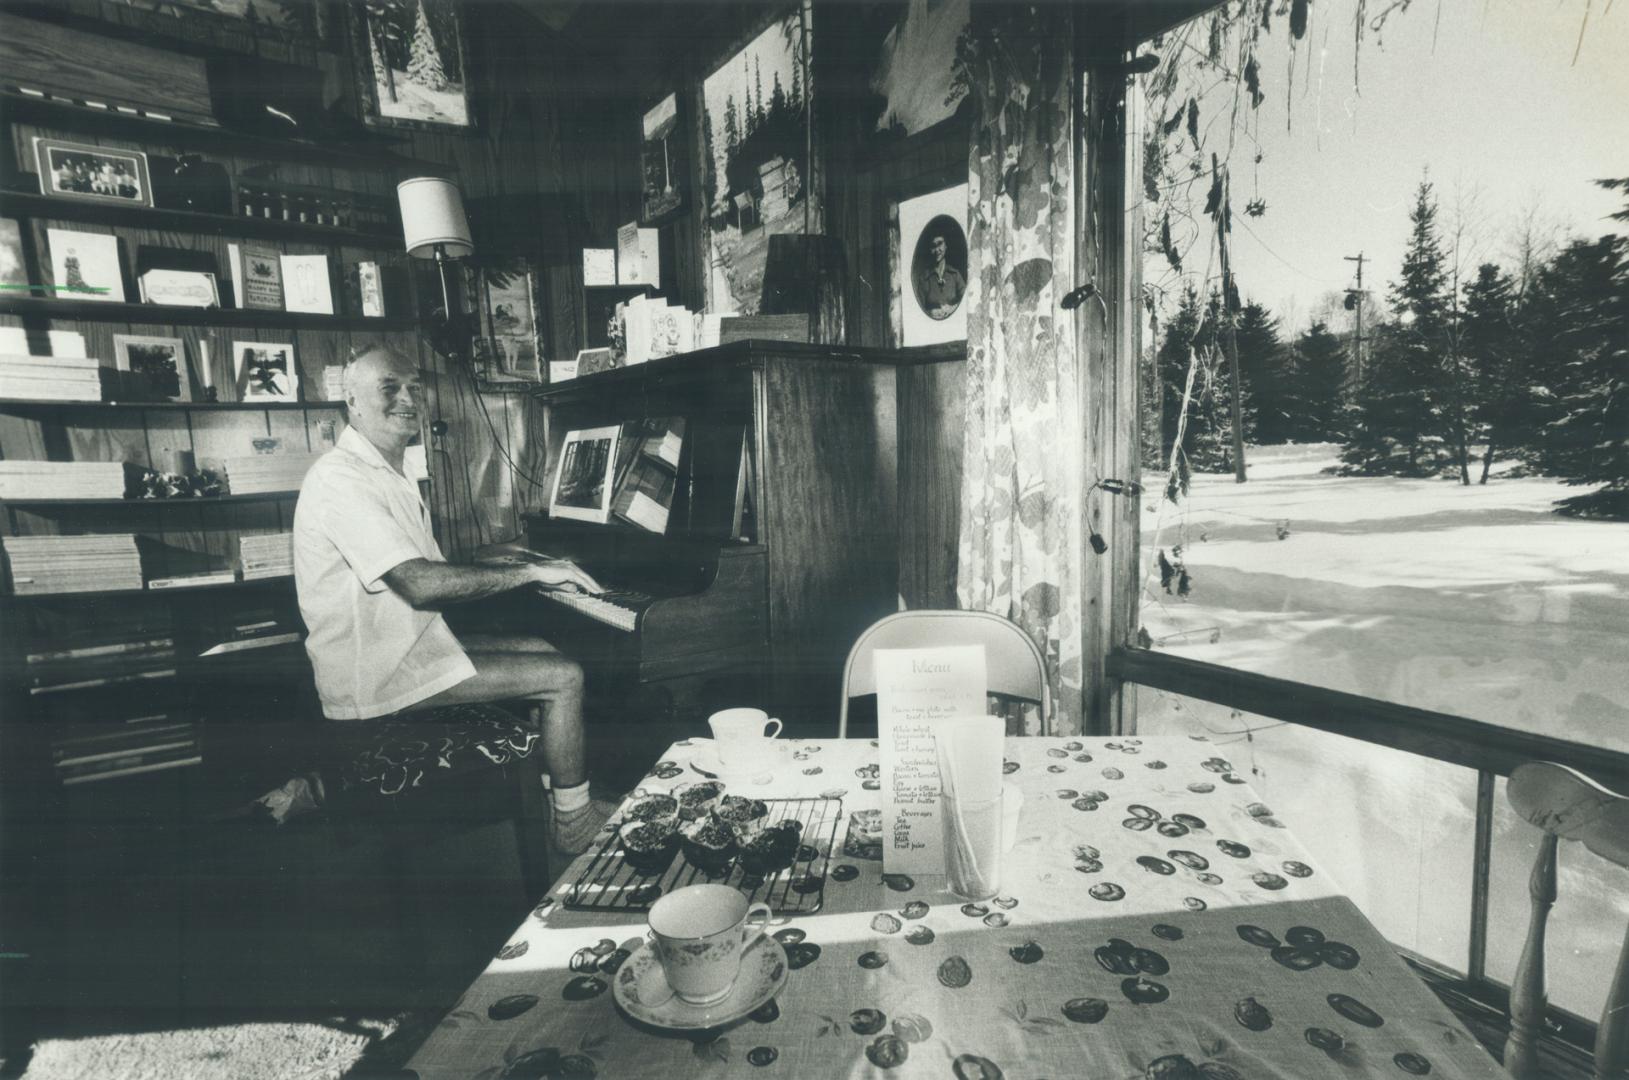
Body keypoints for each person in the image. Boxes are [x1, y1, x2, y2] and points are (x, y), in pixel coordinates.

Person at [292, 344, 616, 853]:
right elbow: (422, 583)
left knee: (540, 648)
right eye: (389, 388)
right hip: (373, 678)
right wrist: (532, 573)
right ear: (351, 401)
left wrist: (514, 557)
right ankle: (573, 822)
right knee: (564, 677)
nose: (407, 400)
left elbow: (431, 569)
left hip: (401, 652)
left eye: (415, 389)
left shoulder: (386, 470)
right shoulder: (341, 479)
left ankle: (554, 796)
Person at [915, 229, 966, 319]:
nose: (937, 250)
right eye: (933, 246)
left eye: (940, 244)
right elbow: (916, 312)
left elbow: (967, 301)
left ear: (946, 246)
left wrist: (952, 308)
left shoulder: (955, 275)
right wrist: (929, 313)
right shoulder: (924, 278)